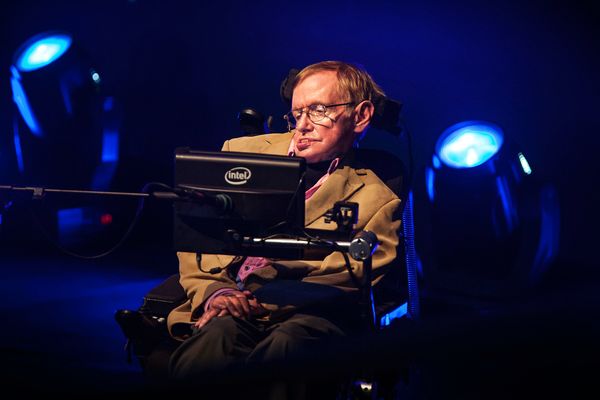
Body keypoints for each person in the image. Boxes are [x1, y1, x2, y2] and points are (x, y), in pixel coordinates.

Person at [166, 61, 404, 397]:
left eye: (319, 110)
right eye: (297, 113)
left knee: (287, 348)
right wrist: (216, 293)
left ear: (361, 116)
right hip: (228, 300)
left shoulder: (378, 196)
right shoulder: (240, 152)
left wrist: (260, 297)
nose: (302, 126)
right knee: (212, 344)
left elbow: (351, 275)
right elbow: (197, 234)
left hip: (308, 313)